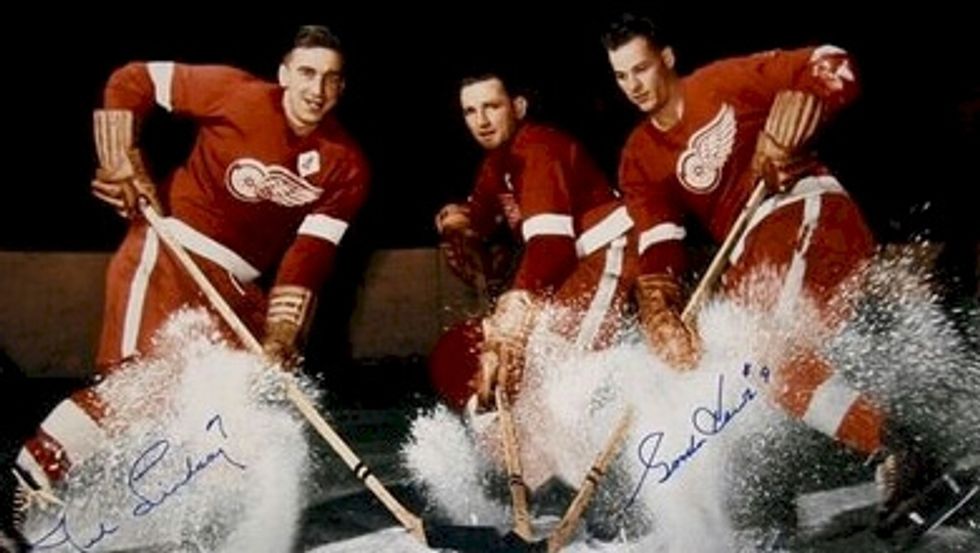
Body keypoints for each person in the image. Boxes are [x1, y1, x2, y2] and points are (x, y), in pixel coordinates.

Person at [601, 13, 963, 538]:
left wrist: (805, 106)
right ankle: (898, 447)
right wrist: (659, 308)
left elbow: (834, 62)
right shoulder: (638, 155)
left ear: (667, 59)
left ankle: (906, 454)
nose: (633, 85)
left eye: (641, 69)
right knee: (753, 367)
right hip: (759, 249)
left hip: (805, 213)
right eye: (621, 76)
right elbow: (659, 243)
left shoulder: (722, 83)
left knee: (757, 345)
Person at [5, 25, 369, 538]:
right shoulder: (235, 93)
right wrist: (121, 159)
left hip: (237, 292)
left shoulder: (347, 165)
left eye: (330, 79)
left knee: (233, 400)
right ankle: (15, 492)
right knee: (137, 389)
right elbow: (130, 80)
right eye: (307, 73)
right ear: (284, 74)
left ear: (342, 88)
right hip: (171, 253)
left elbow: (309, 256)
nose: (317, 89)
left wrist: (283, 333)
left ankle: (173, 516)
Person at [429, 69, 637, 412]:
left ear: (519, 107)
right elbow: (479, 218)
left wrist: (516, 303)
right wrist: (458, 221)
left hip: (608, 250)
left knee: (565, 357)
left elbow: (551, 245)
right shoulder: (496, 163)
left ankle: (594, 428)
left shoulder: (539, 149)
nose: (481, 121)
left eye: (492, 106)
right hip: (572, 262)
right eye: (470, 111)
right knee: (537, 349)